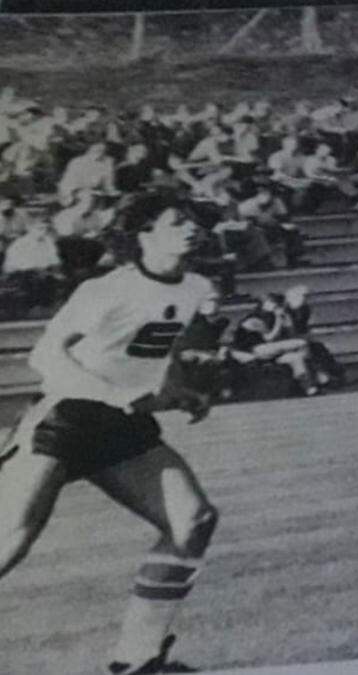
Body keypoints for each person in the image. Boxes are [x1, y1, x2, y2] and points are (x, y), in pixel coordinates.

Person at [0, 192, 219, 673]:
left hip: (120, 425)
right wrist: (114, 394)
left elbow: (152, 351)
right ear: (144, 235)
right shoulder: (107, 289)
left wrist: (179, 392)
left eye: (193, 222)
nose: (191, 229)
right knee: (11, 538)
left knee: (194, 520)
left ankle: (137, 658)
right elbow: (46, 356)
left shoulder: (193, 287)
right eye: (176, 221)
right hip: (66, 417)